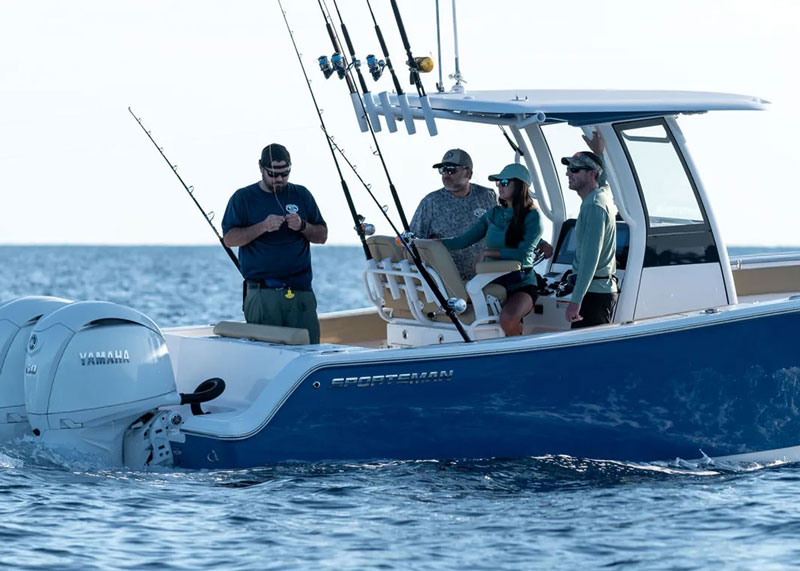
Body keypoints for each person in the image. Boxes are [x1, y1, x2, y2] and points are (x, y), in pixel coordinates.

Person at [222, 143, 328, 344]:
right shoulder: (242, 198)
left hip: (300, 292)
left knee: (308, 350)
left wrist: (303, 225)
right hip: (262, 295)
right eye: (273, 174)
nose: (279, 179)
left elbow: (322, 235)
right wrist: (262, 226)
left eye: (284, 173)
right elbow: (229, 239)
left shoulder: (302, 195)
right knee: (266, 356)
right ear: (261, 168)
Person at [441, 163, 543, 337]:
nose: (499, 186)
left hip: (521, 285)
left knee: (508, 319)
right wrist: (433, 243)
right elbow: (463, 240)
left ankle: (521, 354)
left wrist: (487, 253)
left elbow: (522, 255)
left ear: (519, 185)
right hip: (490, 282)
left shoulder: (533, 216)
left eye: (504, 182)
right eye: (498, 183)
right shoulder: (494, 213)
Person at [410, 149, 498, 281]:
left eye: (451, 170)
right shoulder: (430, 202)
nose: (445, 175)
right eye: (442, 170)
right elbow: (413, 242)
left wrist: (539, 242)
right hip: (449, 285)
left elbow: (508, 227)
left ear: (467, 172)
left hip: (487, 278)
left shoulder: (487, 195)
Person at [561, 144, 618, 328]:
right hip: (597, 291)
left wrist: (576, 301)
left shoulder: (594, 206)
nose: (568, 174)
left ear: (592, 174)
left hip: (593, 295)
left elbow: (589, 259)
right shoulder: (602, 194)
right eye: (569, 169)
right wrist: (600, 153)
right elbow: (605, 178)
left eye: (575, 170)